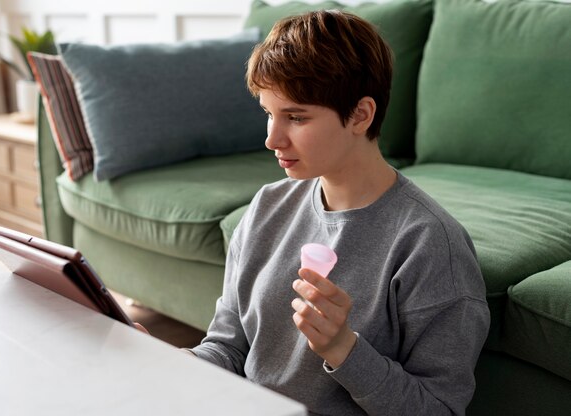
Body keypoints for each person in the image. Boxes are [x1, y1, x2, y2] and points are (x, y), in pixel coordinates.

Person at [188, 10, 490, 416]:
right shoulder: (266, 207)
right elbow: (227, 346)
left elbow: (438, 410)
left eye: (295, 117)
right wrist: (174, 365)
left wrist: (343, 349)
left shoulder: (429, 244)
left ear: (361, 115)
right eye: (268, 113)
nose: (271, 138)